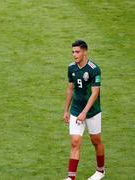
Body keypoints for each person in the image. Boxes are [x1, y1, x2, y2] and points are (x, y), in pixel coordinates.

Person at [63, 40, 105, 180]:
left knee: (96, 140)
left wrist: (84, 112)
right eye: (73, 52)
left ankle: (100, 171)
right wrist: (66, 110)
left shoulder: (94, 69)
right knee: (75, 142)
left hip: (92, 112)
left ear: (85, 52)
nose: (74, 55)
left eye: (77, 52)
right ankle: (71, 177)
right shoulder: (71, 68)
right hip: (76, 110)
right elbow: (70, 89)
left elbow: (95, 93)